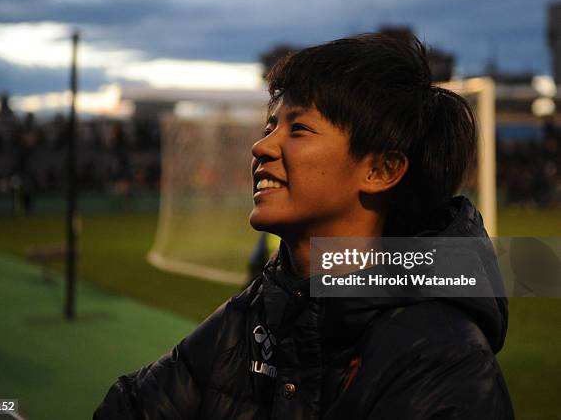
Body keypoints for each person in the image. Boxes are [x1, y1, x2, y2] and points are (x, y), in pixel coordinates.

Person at [94, 34, 514, 419]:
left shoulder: (440, 356)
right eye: (269, 126)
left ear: (382, 169)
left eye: (298, 129)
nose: (261, 146)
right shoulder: (254, 315)